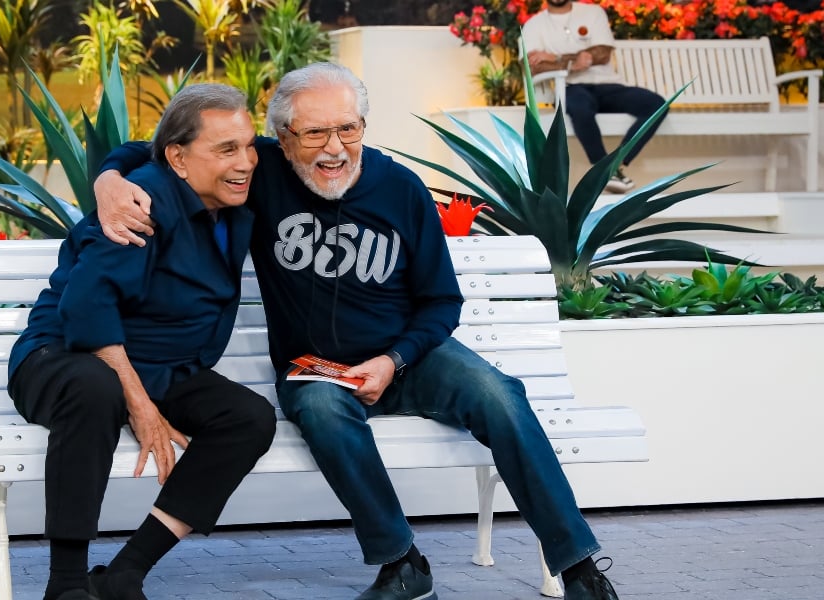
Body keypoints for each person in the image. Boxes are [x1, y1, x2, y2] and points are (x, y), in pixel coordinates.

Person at [92, 63, 621, 600]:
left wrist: (395, 359)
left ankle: (577, 566)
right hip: (315, 367)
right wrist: (108, 180)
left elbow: (442, 301)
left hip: (409, 356)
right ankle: (401, 563)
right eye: (315, 132)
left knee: (499, 394)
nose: (335, 148)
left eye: (349, 128)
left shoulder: (401, 188)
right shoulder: (261, 172)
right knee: (320, 408)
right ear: (282, 138)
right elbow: (157, 147)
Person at [7, 83, 276, 600]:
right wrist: (140, 404)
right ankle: (64, 584)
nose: (246, 161)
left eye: (247, 144)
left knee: (249, 418)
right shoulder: (141, 205)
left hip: (162, 364)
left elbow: (138, 147)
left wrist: (108, 172)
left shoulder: (234, 185)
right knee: (96, 389)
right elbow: (84, 309)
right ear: (178, 157)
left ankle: (126, 572)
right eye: (226, 149)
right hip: (63, 355)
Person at [522, 0, 666, 194]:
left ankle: (614, 165)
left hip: (607, 86)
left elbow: (603, 54)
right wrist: (574, 61)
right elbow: (531, 66)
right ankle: (602, 168)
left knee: (656, 104)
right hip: (569, 88)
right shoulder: (534, 25)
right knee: (580, 107)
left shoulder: (592, 13)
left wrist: (554, 58)